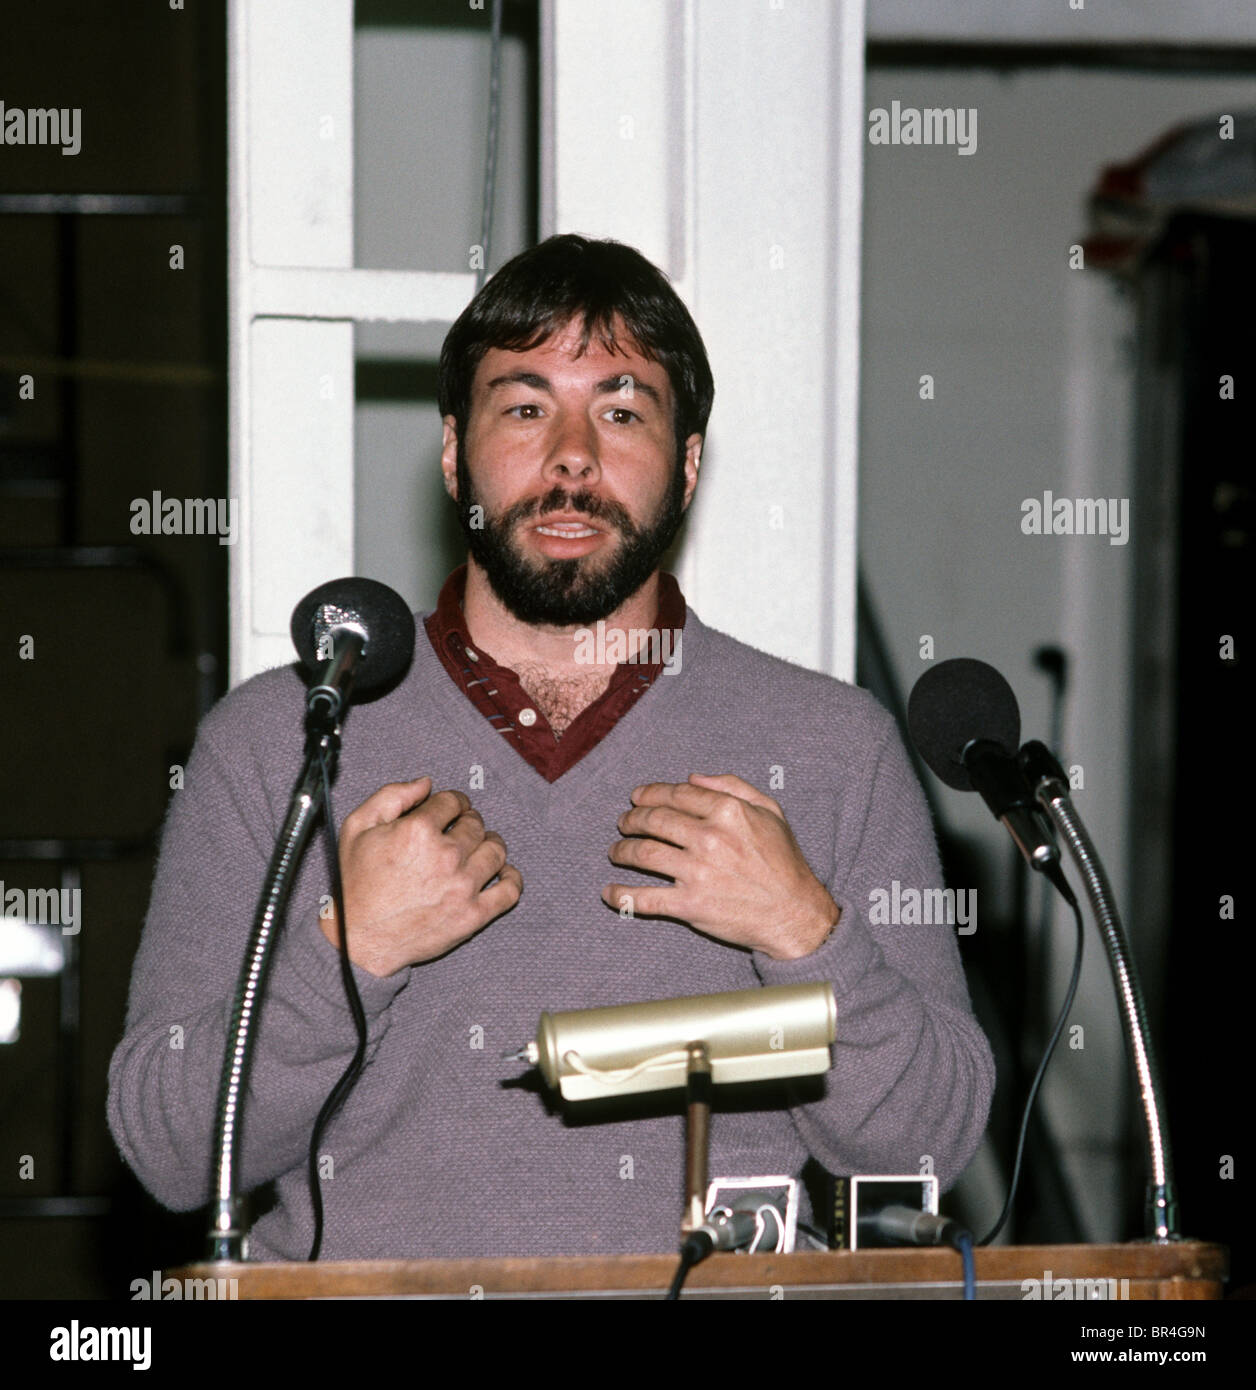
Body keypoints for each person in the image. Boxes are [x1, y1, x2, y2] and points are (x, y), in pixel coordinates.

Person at [108, 234, 994, 1261]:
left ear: (689, 463)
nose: (571, 456)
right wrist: (348, 950)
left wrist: (807, 933)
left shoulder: (833, 745)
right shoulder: (283, 742)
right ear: (453, 454)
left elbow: (930, 1141)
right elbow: (169, 1150)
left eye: (621, 412)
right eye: (524, 408)